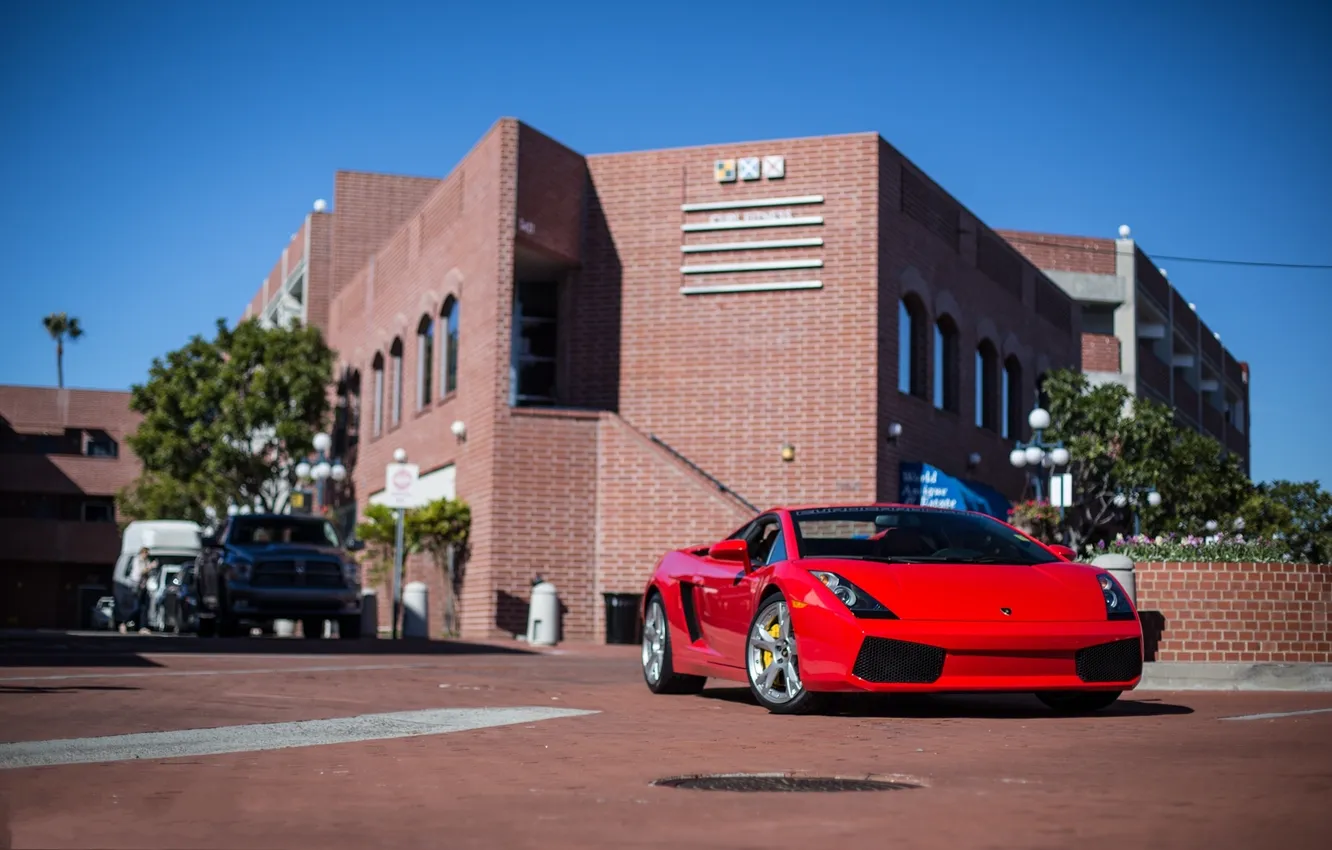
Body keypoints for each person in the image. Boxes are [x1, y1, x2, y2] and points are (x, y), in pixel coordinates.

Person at [125, 546, 158, 633]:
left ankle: (142, 627)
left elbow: (148, 573)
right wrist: (150, 566)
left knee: (144, 608)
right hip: (136, 586)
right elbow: (140, 572)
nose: (146, 555)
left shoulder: (146, 561)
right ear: (142, 553)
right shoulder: (137, 560)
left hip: (143, 587)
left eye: (147, 553)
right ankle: (124, 622)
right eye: (145, 553)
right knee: (136, 608)